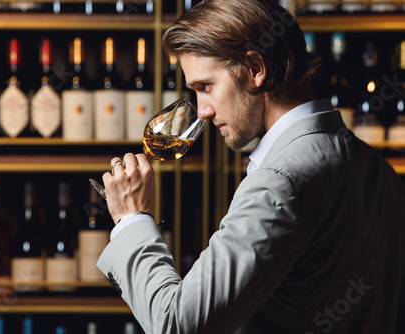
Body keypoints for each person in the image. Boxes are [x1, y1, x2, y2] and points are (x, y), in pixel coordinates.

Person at [97, 0, 405, 333]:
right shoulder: (375, 165)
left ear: (256, 68)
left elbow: (176, 324)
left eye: (206, 87)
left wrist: (133, 218)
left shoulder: (279, 182)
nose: (202, 110)